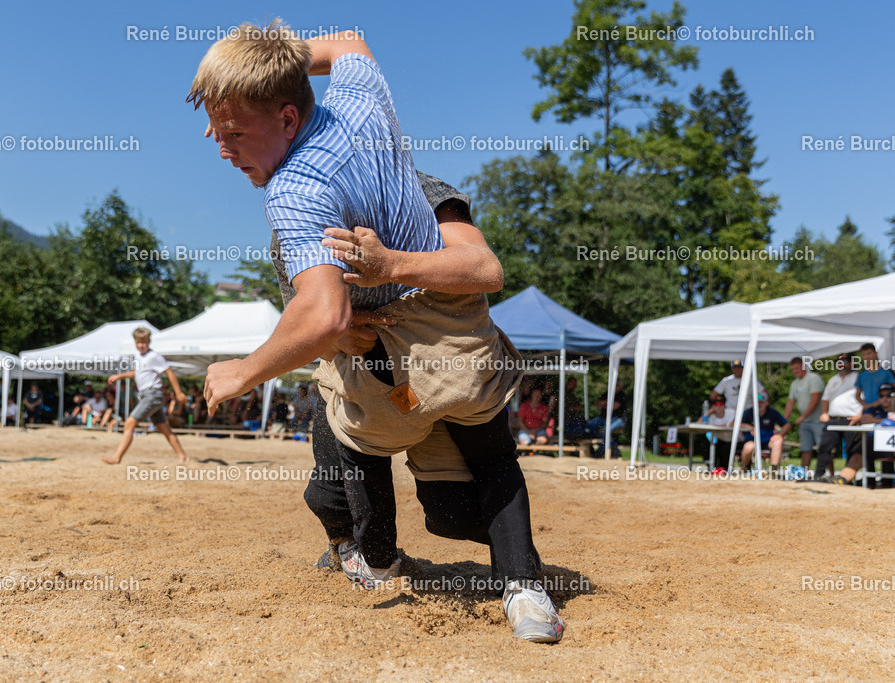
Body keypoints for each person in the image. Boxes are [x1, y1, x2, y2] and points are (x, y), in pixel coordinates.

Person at [191, 23, 562, 642]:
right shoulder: (360, 100)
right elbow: (348, 41)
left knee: (367, 442)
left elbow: (325, 316)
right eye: (216, 131)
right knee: (463, 464)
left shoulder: (296, 189)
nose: (222, 148)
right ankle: (440, 566)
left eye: (233, 133)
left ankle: (384, 556)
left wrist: (244, 369)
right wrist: (259, 71)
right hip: (449, 333)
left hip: (406, 337)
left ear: (287, 119)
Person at [102, 327, 188, 465]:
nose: (141, 345)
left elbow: (170, 373)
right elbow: (135, 373)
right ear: (135, 342)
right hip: (147, 395)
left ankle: (117, 458)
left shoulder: (154, 357)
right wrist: (120, 376)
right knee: (163, 427)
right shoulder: (137, 357)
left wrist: (178, 393)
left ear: (149, 341)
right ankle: (183, 456)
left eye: (144, 342)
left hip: (153, 394)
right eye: (138, 342)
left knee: (129, 423)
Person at [831, 384, 895, 486]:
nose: (885, 398)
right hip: (876, 442)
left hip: (891, 445)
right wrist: (885, 420)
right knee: (860, 450)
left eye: (889, 395)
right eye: (882, 396)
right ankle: (842, 479)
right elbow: (864, 419)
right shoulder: (874, 409)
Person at [815, 354, 859, 480]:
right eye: (839, 362)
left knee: (851, 449)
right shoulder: (833, 379)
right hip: (833, 419)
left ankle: (848, 479)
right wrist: (824, 413)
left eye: (844, 361)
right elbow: (825, 398)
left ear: (851, 363)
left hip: (851, 419)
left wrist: (860, 415)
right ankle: (818, 475)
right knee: (824, 447)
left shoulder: (858, 377)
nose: (841, 364)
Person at [783, 356, 824, 469]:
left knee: (824, 449)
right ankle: (803, 474)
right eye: (793, 370)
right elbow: (790, 403)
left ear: (803, 366)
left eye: (796, 368)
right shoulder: (794, 383)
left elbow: (815, 400)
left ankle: (829, 473)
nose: (795, 371)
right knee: (805, 449)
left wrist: (802, 417)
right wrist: (783, 421)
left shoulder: (813, 378)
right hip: (805, 423)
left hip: (818, 421)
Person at [739, 392, 791, 475]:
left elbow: (787, 425)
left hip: (768, 442)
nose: (759, 404)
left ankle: (773, 470)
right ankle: (744, 468)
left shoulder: (772, 413)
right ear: (753, 403)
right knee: (748, 447)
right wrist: (748, 426)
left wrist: (779, 434)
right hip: (752, 441)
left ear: (767, 402)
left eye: (761, 402)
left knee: (778, 441)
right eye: (757, 402)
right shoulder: (748, 413)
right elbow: (733, 423)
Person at [587, 381, 627, 457]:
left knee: (606, 429)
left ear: (619, 386)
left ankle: (604, 449)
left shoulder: (621, 395)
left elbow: (614, 407)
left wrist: (604, 404)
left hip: (618, 419)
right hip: (603, 418)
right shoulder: (607, 394)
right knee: (589, 425)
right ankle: (601, 443)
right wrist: (607, 403)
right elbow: (597, 403)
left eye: (616, 385)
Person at [855, 343, 895, 411]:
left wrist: (881, 402)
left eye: (869, 353)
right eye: (864, 354)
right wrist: (866, 406)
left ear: (875, 353)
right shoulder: (862, 375)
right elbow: (857, 395)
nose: (867, 356)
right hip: (869, 410)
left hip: (885, 409)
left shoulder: (886, 372)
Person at [705, 397, 735, 473]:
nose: (719, 407)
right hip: (720, 440)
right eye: (716, 405)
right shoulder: (712, 416)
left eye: (721, 404)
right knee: (709, 447)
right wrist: (707, 413)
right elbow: (700, 423)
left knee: (724, 450)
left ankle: (723, 470)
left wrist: (716, 427)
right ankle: (713, 468)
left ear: (724, 405)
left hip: (732, 441)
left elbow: (730, 425)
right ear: (713, 407)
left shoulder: (731, 412)